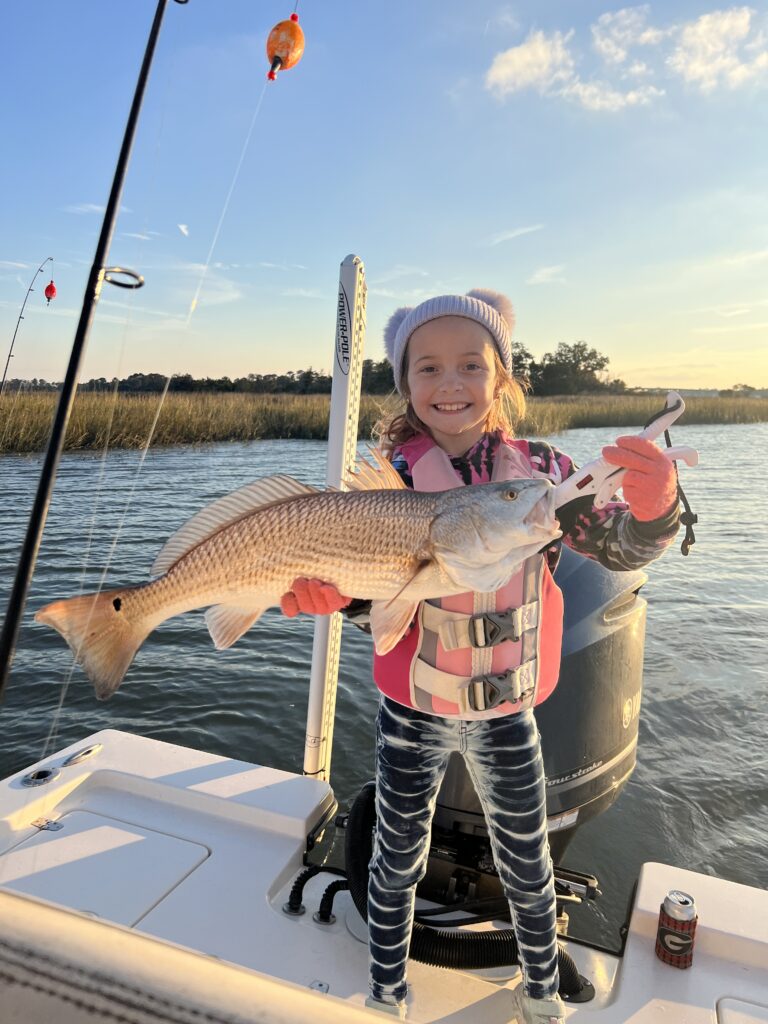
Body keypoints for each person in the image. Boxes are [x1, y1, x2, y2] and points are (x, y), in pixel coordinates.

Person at [280, 290, 680, 1024]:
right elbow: (374, 600)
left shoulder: (544, 475)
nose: (450, 383)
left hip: (507, 710)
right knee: (394, 858)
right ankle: (386, 991)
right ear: (405, 385)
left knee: (528, 860)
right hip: (412, 712)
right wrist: (331, 599)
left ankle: (537, 990)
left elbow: (617, 546)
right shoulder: (388, 481)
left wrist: (657, 509)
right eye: (427, 368)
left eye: (471, 364)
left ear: (502, 377)